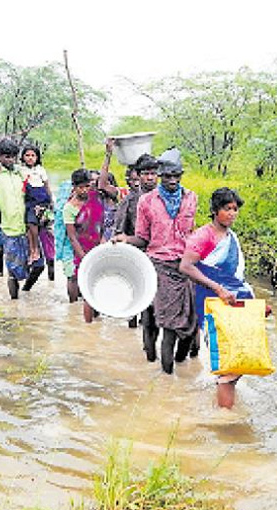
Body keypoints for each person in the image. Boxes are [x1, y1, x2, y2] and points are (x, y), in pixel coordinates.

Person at [114, 149, 198, 374]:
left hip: (186, 267)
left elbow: (192, 233)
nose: (172, 181)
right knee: (168, 327)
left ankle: (178, 370)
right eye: (167, 176)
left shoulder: (191, 197)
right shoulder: (146, 201)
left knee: (191, 327)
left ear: (181, 175)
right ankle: (166, 379)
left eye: (176, 176)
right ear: (161, 175)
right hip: (159, 266)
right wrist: (125, 240)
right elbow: (142, 239)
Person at [180, 187, 253, 408]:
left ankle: (224, 407)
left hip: (233, 302)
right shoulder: (204, 236)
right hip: (213, 304)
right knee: (227, 364)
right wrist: (218, 288)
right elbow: (186, 266)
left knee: (240, 359)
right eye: (226, 209)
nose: (232, 213)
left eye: (235, 209)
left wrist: (254, 306)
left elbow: (236, 277)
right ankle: (226, 417)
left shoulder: (232, 237)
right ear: (214, 210)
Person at [0, 139, 44, 299]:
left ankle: (26, 291)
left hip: (28, 226)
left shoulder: (21, 172)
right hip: (8, 229)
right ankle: (14, 303)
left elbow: (38, 187)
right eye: (6, 157)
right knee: (13, 271)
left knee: (39, 265)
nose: (10, 160)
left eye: (13, 156)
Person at [113, 153, 159, 329]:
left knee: (153, 300)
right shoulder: (130, 199)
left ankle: (149, 336)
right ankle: (133, 329)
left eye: (153, 173)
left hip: (158, 255)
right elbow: (120, 229)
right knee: (134, 295)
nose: (149, 178)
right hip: (135, 252)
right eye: (145, 174)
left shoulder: (165, 197)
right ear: (138, 176)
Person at [64, 168, 104, 323]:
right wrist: (85, 258)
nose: (84, 190)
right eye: (80, 187)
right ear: (74, 187)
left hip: (99, 246)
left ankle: (97, 320)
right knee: (88, 291)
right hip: (83, 251)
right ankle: (88, 328)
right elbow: (72, 237)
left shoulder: (95, 197)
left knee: (99, 287)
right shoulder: (69, 208)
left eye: (87, 186)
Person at [20, 144, 55, 279]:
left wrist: (51, 202)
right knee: (31, 225)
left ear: (37, 157)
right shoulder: (21, 171)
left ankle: (48, 265)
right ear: (23, 157)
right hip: (29, 201)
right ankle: (34, 250)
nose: (30, 158)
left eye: (33, 155)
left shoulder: (41, 170)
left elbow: (47, 186)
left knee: (46, 231)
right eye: (27, 155)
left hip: (42, 201)